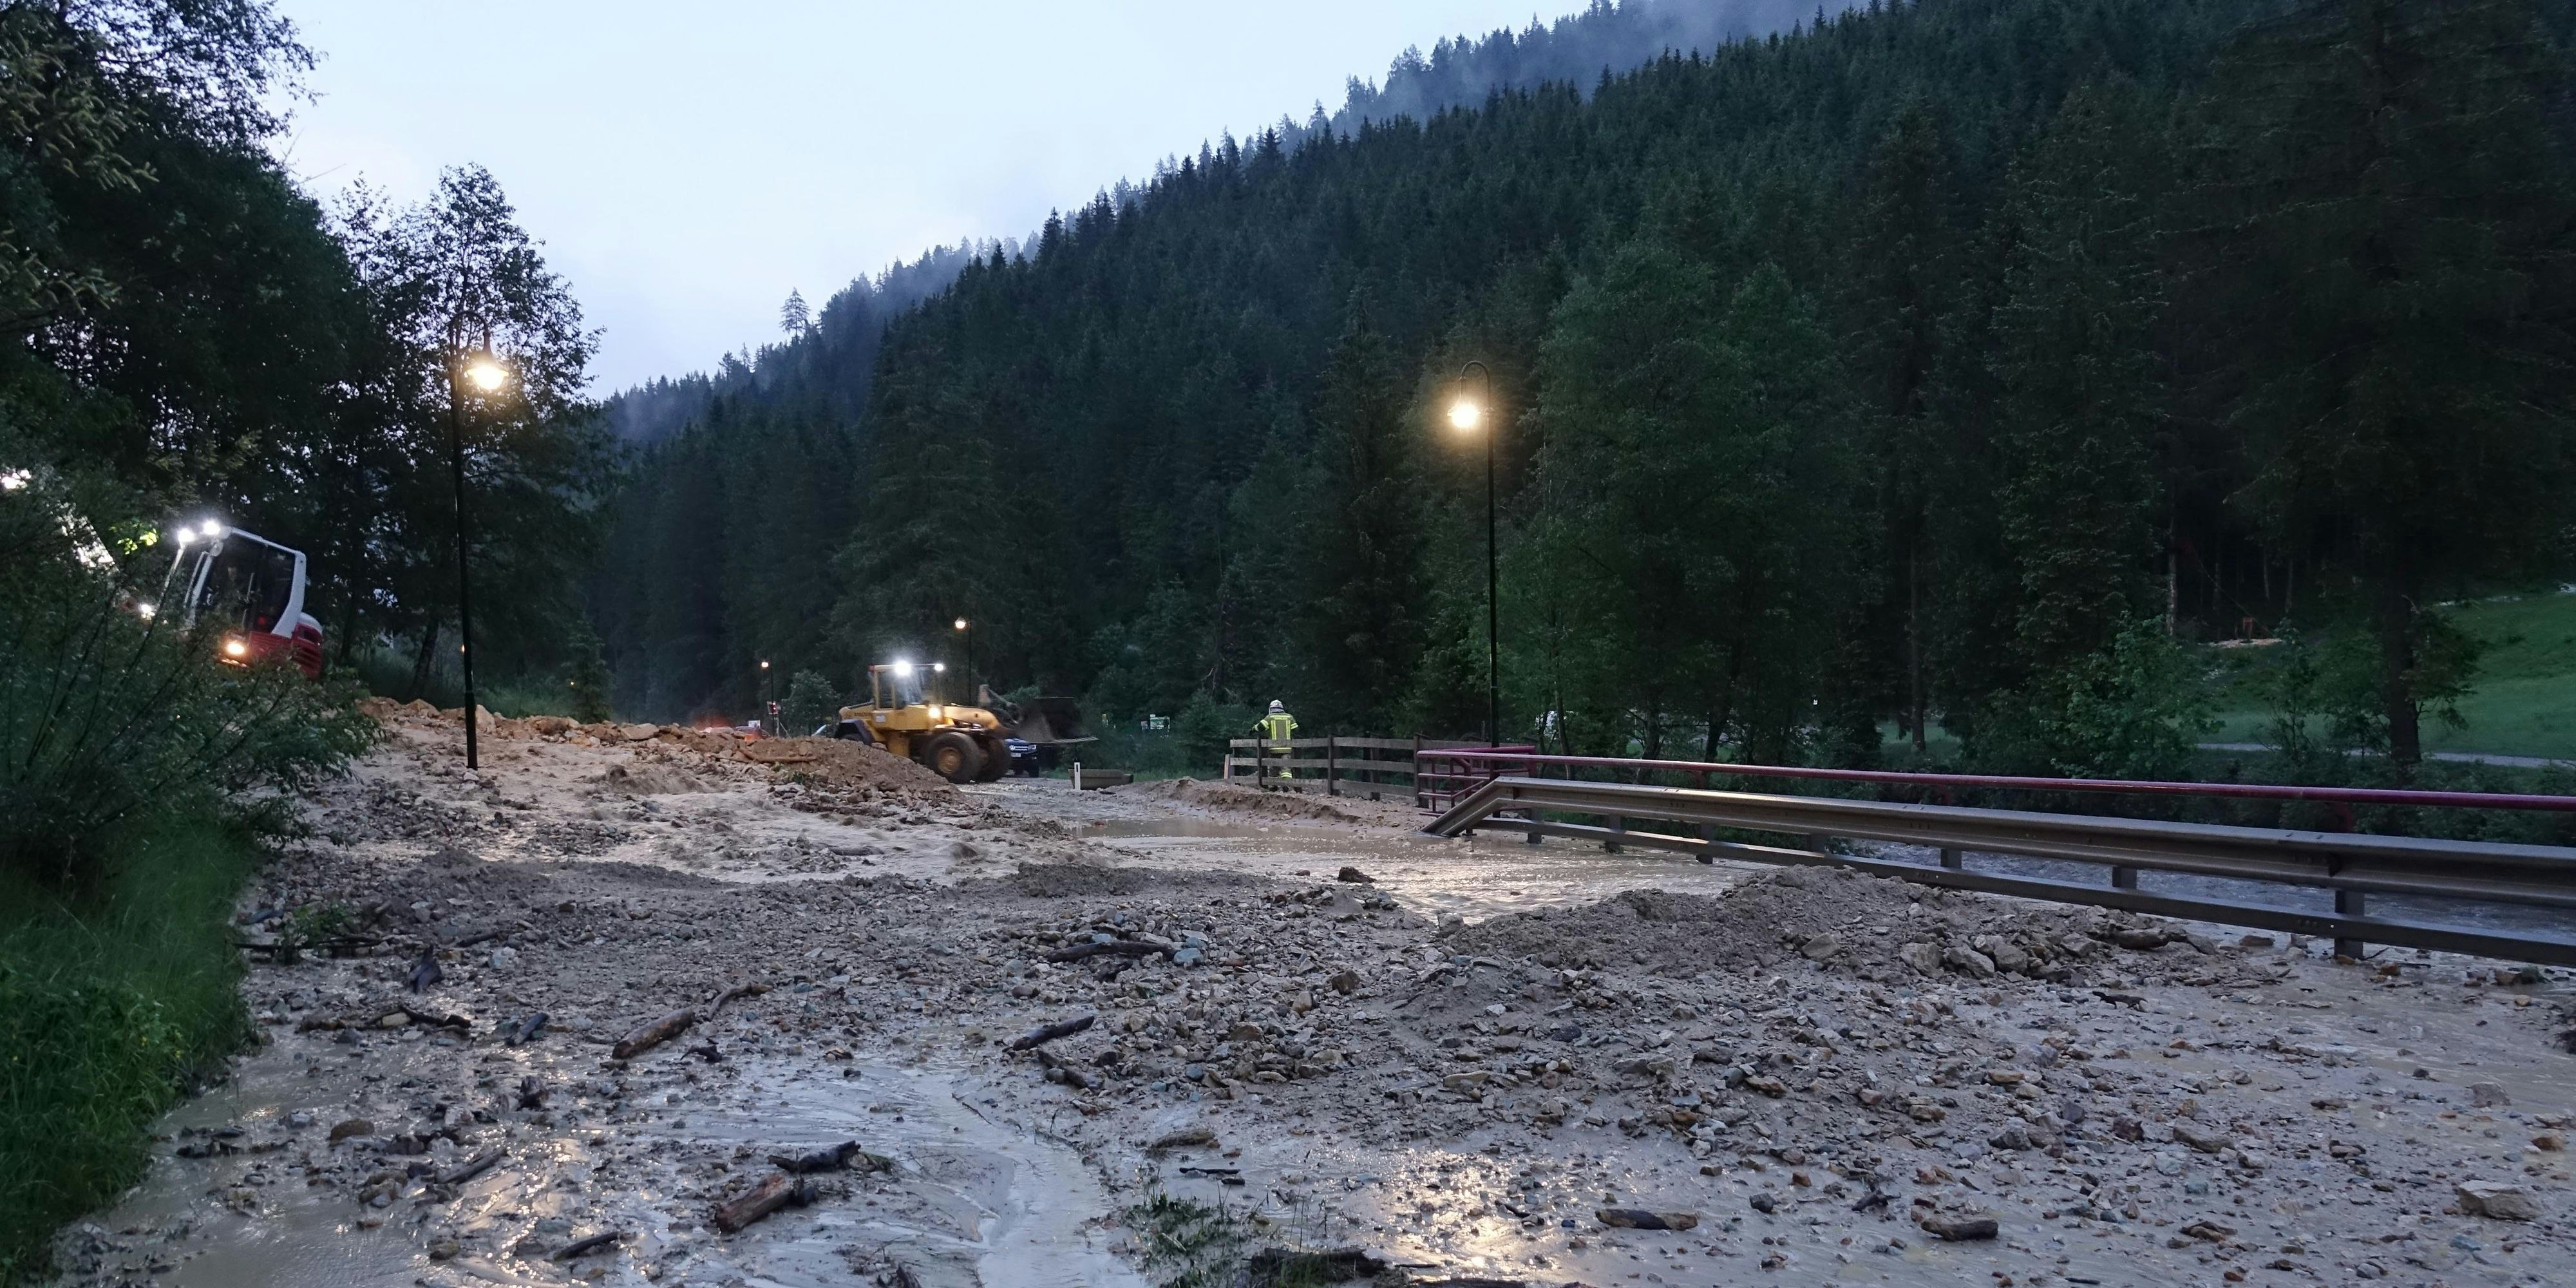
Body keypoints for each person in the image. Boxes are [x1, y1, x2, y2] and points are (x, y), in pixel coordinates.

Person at [1255, 699, 1298, 780]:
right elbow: (1296, 730)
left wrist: (1253, 729)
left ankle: (1273, 786)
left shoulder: (1270, 718)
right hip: (1287, 748)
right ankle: (1287, 784)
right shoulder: (1290, 717)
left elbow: (1260, 727)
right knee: (1286, 769)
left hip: (1274, 748)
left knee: (1274, 767)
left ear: (1271, 709)